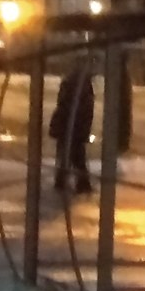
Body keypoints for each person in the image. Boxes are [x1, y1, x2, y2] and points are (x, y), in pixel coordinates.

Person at [49, 59, 95, 195]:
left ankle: (64, 180)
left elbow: (63, 103)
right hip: (73, 125)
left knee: (67, 153)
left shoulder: (73, 81)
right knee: (76, 155)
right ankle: (81, 183)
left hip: (70, 124)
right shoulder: (81, 84)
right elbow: (82, 109)